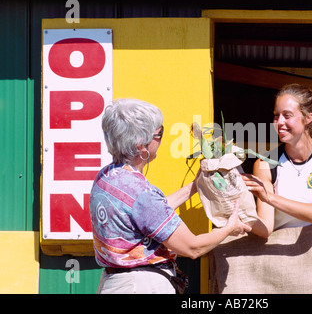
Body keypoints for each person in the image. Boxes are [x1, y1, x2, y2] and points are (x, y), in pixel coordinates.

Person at [90, 98, 251, 294]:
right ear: (142, 145)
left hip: (114, 283)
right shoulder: (142, 194)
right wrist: (229, 227)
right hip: (142, 286)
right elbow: (192, 248)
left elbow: (152, 213)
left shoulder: (106, 177)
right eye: (159, 133)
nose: (161, 139)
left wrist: (196, 185)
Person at [242, 84, 312, 238]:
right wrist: (238, 212)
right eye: (276, 115)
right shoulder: (264, 164)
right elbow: (266, 228)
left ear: (308, 118)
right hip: (285, 249)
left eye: (287, 116)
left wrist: (269, 197)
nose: (279, 122)